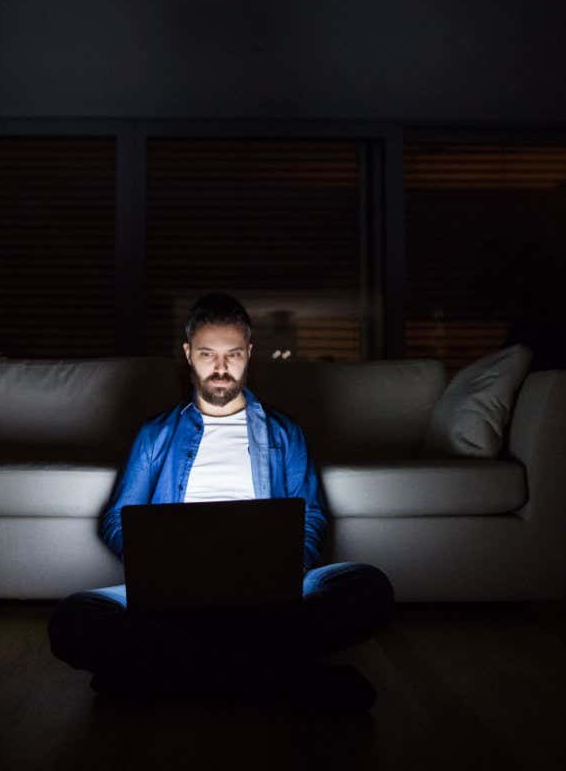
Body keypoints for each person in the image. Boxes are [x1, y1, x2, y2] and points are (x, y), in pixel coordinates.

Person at [47, 293, 394, 708]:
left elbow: (312, 514)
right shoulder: (154, 435)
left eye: (232, 355)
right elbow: (117, 519)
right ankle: (280, 678)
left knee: (366, 586)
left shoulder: (285, 434)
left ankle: (165, 677)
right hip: (172, 596)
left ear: (249, 354)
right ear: (188, 354)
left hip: (266, 596)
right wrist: (159, 568)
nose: (221, 368)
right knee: (75, 618)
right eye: (208, 354)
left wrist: (287, 569)